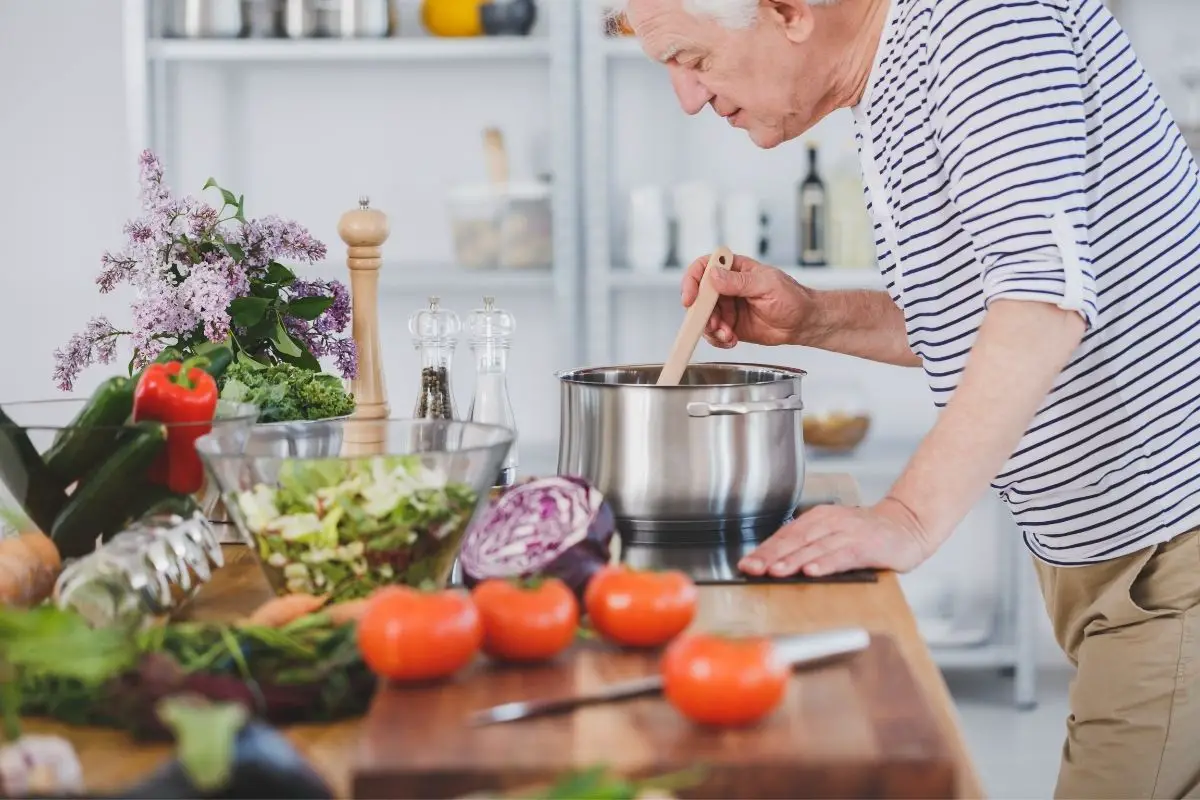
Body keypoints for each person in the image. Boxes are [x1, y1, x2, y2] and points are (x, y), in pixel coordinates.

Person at [619, 0, 1200, 796]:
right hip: (1116, 556)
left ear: (788, 11)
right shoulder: (892, 73)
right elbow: (989, 307)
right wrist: (817, 318)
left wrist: (907, 518)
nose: (688, 97)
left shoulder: (984, 26)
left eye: (695, 59)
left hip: (1174, 552)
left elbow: (1042, 302)